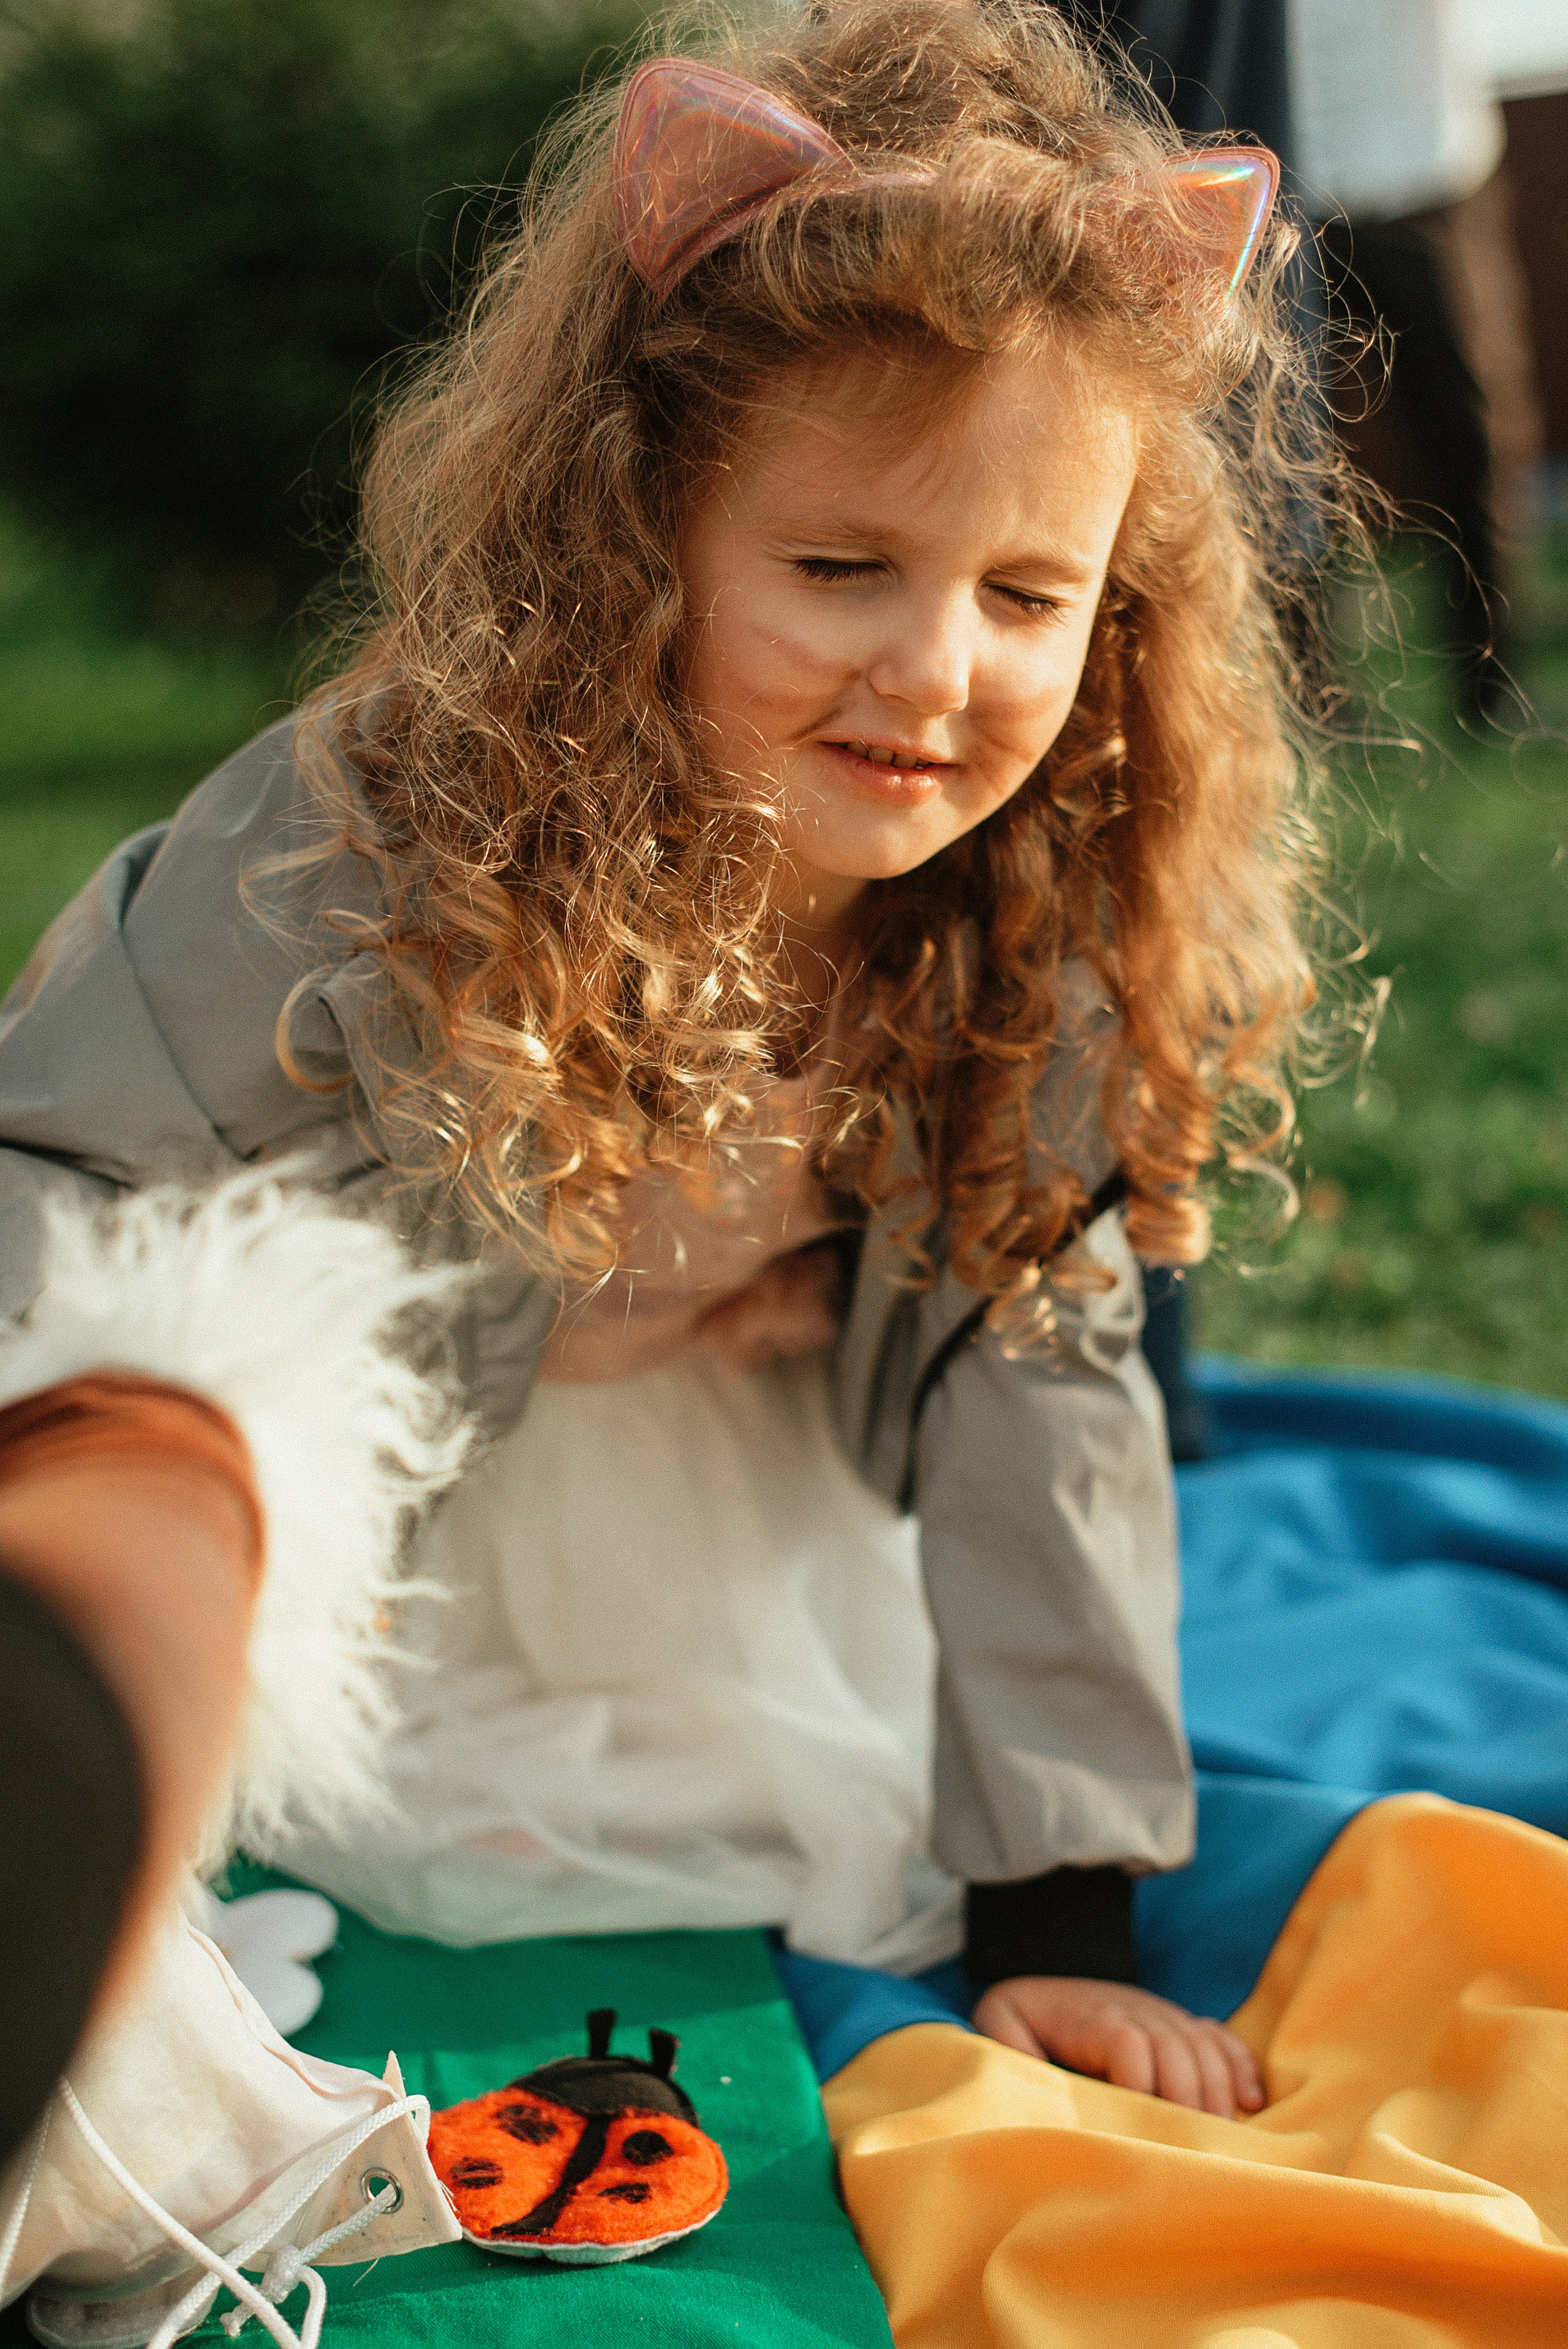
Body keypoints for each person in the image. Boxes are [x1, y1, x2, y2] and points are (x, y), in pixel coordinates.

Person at [0, 0, 1340, 2196]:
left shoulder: (1039, 901)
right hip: (361, 1510)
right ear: (642, 532)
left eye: (1031, 594)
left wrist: (1059, 1901)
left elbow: (1042, 1362)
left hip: (715, 1529)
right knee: (165, 1439)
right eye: (840, 570)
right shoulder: (356, 844)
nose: (935, 673)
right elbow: (48, 1159)